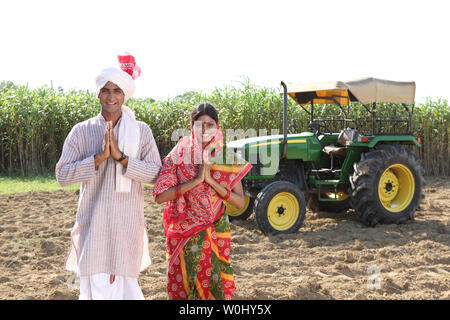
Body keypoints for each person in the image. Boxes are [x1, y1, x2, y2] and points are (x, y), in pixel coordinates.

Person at [55, 53, 162, 300]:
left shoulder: (141, 131)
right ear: (98, 94)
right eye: (106, 90)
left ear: (125, 95)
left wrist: (122, 158)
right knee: (97, 289)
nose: (111, 96)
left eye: (117, 90)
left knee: (128, 289)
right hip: (94, 226)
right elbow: (62, 175)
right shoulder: (82, 131)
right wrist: (99, 158)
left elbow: (156, 173)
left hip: (127, 226)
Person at [152, 103, 252, 300]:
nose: (205, 130)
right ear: (191, 126)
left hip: (215, 228)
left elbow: (239, 203)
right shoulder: (178, 154)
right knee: (184, 285)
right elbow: (160, 196)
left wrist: (212, 182)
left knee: (214, 288)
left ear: (218, 127)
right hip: (183, 233)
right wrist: (196, 180)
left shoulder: (226, 157)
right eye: (199, 124)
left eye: (210, 124)